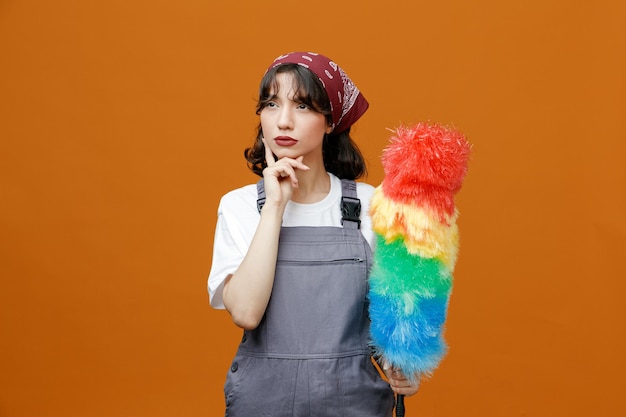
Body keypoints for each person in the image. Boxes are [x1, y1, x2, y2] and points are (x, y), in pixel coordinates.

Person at [208, 51, 419, 416]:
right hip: (262, 404)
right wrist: (274, 205)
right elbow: (245, 312)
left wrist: (402, 368)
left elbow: (383, 319)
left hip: (355, 405)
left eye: (303, 106)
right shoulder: (240, 206)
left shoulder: (373, 206)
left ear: (329, 121)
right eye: (271, 104)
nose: (283, 121)